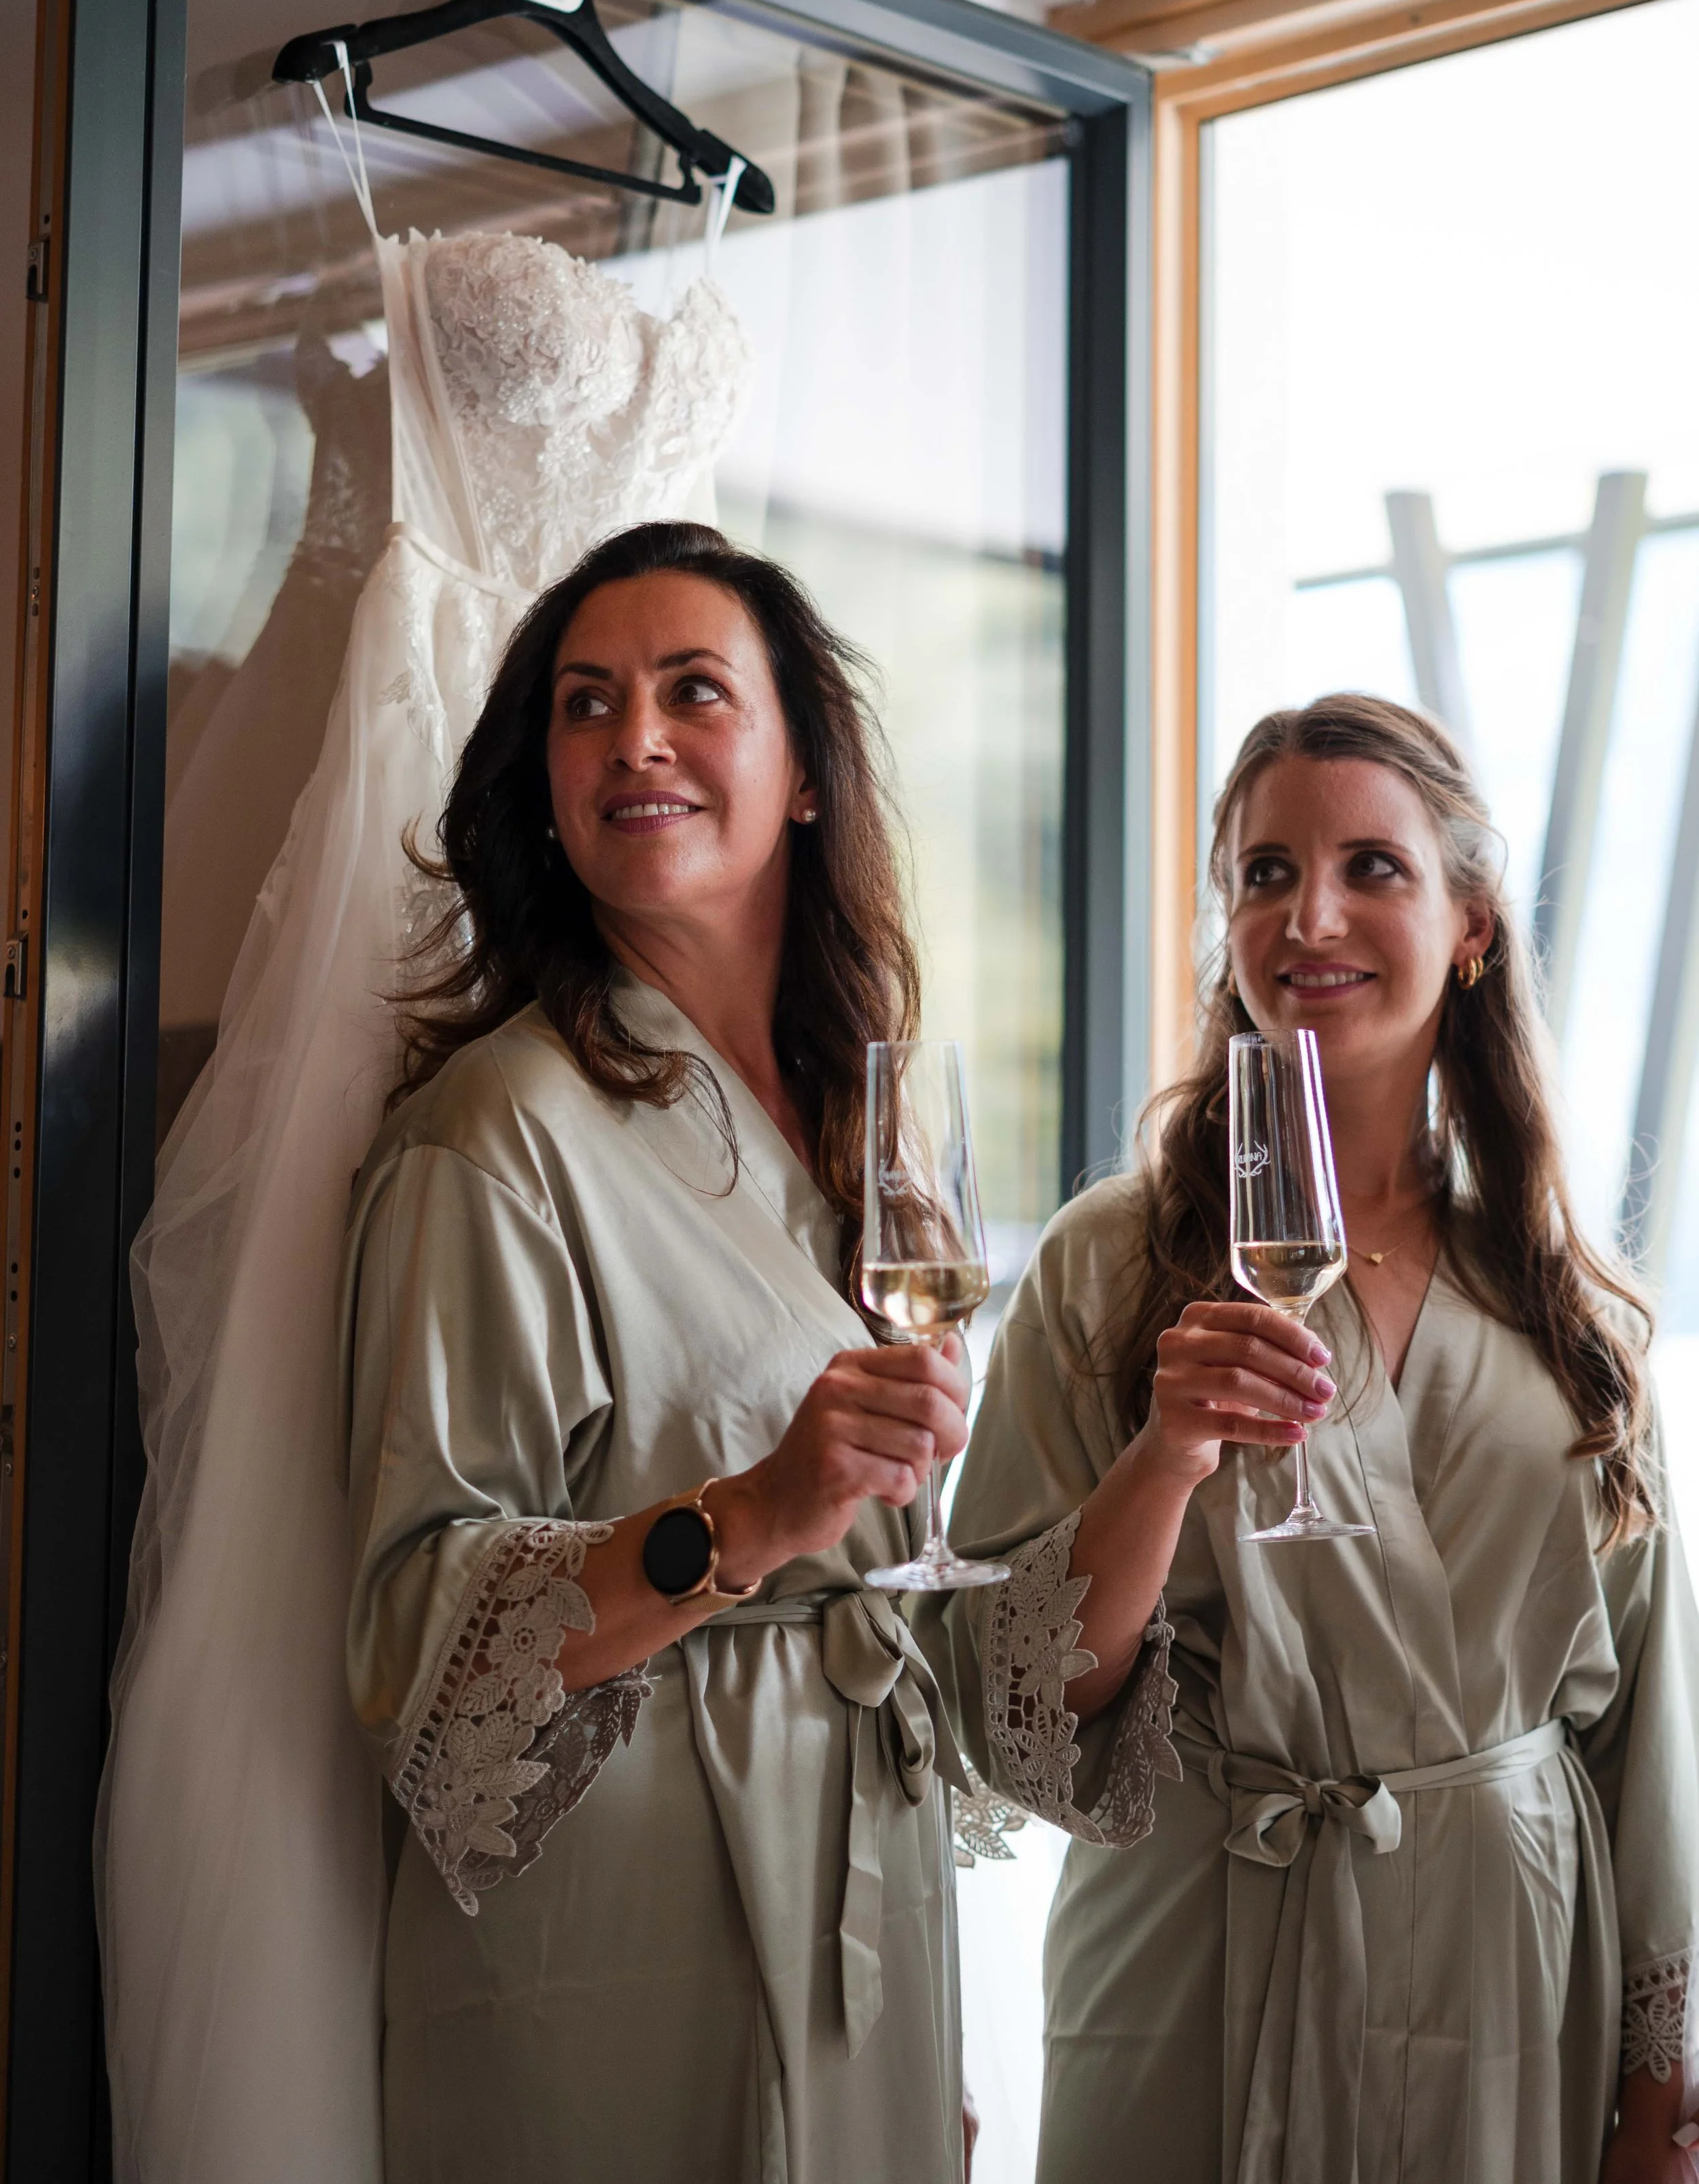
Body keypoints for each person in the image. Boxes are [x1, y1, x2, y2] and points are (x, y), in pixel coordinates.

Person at [926, 694, 1699, 2184]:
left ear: (1471, 924)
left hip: (1503, 1969)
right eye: (1264, 873)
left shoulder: (1563, 1304)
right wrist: (1163, 1459)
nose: (1309, 915)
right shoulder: (1109, 1264)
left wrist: (1658, 2086)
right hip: (1194, 1954)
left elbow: (1646, 1726)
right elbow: (1012, 1710)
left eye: (1371, 868)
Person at [340, 518, 976, 2183]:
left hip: (868, 1904)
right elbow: (421, 1648)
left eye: (694, 691)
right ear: (543, 787)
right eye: (584, 705)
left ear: (807, 769)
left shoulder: (873, 1135)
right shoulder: (491, 1136)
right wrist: (752, 1516)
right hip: (617, 1949)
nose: (634, 740)